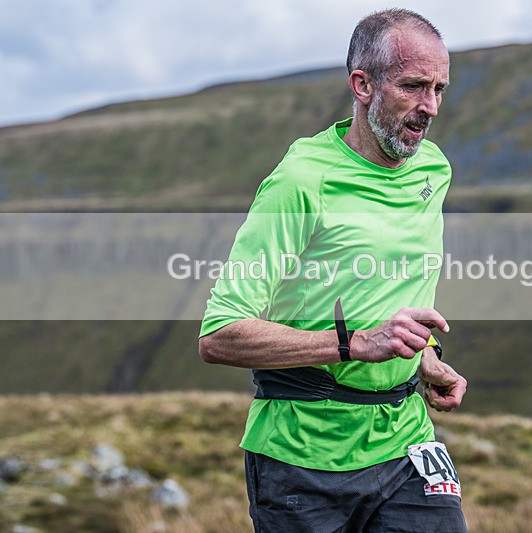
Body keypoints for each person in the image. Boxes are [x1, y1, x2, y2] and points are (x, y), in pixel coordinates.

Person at [198, 8, 468, 532]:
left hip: (406, 442)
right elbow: (219, 336)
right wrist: (357, 344)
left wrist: (425, 358)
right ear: (362, 85)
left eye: (439, 89)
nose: (430, 107)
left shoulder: (434, 169)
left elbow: (389, 289)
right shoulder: (301, 181)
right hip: (302, 457)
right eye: (413, 86)